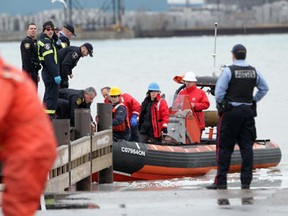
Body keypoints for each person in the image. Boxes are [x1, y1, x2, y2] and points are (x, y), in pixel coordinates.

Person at [206, 44, 269, 190]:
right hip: (247, 113)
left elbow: (220, 92)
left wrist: (222, 104)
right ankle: (246, 182)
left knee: (224, 148)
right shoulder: (254, 71)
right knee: (247, 148)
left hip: (231, 113)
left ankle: (221, 182)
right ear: (245, 55)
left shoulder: (229, 71)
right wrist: (253, 100)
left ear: (233, 55)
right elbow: (264, 88)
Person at [0, 56, 57, 215]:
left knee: (16, 207)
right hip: (28, 148)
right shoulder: (9, 74)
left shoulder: (4, 80)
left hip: (29, 151)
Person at [38, 20, 61, 119]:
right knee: (52, 96)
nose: (51, 31)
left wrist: (55, 37)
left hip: (48, 72)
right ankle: (49, 117)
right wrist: (56, 74)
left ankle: (44, 116)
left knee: (48, 95)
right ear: (44, 31)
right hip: (50, 72)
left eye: (52, 29)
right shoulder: (46, 42)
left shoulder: (48, 40)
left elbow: (59, 47)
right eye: (48, 30)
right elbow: (49, 60)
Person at [20, 22, 41, 88]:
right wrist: (30, 73)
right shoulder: (26, 42)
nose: (33, 30)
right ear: (27, 30)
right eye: (31, 28)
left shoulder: (34, 42)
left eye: (35, 29)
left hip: (34, 71)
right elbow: (26, 59)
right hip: (29, 72)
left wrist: (36, 74)